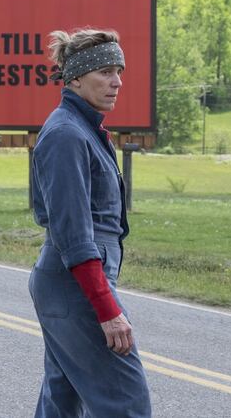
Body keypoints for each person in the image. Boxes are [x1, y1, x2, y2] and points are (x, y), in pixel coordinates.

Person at [28, 28, 152, 417]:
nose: (116, 82)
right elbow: (74, 236)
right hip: (75, 286)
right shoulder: (67, 134)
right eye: (104, 71)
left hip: (68, 285)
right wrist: (106, 308)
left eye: (119, 71)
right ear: (76, 78)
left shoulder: (82, 128)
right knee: (125, 403)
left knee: (61, 402)